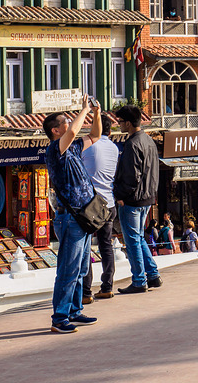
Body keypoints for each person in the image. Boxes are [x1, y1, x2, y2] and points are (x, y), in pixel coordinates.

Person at [43, 96, 101, 333]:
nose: (69, 123)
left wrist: (96, 115)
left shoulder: (74, 149)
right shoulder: (55, 151)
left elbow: (95, 135)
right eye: (65, 122)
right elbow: (73, 133)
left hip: (83, 216)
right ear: (56, 130)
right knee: (68, 269)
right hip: (70, 218)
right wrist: (84, 109)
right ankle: (60, 317)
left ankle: (74, 311)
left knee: (80, 268)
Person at [113, 105, 162, 294]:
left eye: (120, 122)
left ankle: (139, 279)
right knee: (139, 238)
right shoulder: (149, 140)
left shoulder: (133, 144)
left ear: (128, 123)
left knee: (133, 241)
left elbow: (131, 177)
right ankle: (153, 275)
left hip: (132, 200)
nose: (119, 125)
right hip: (147, 197)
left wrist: (120, 196)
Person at [81, 114, 120, 304]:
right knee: (106, 246)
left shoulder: (88, 146)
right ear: (110, 131)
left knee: (86, 247)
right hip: (109, 203)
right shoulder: (114, 148)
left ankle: (86, 291)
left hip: (90, 205)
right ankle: (107, 287)